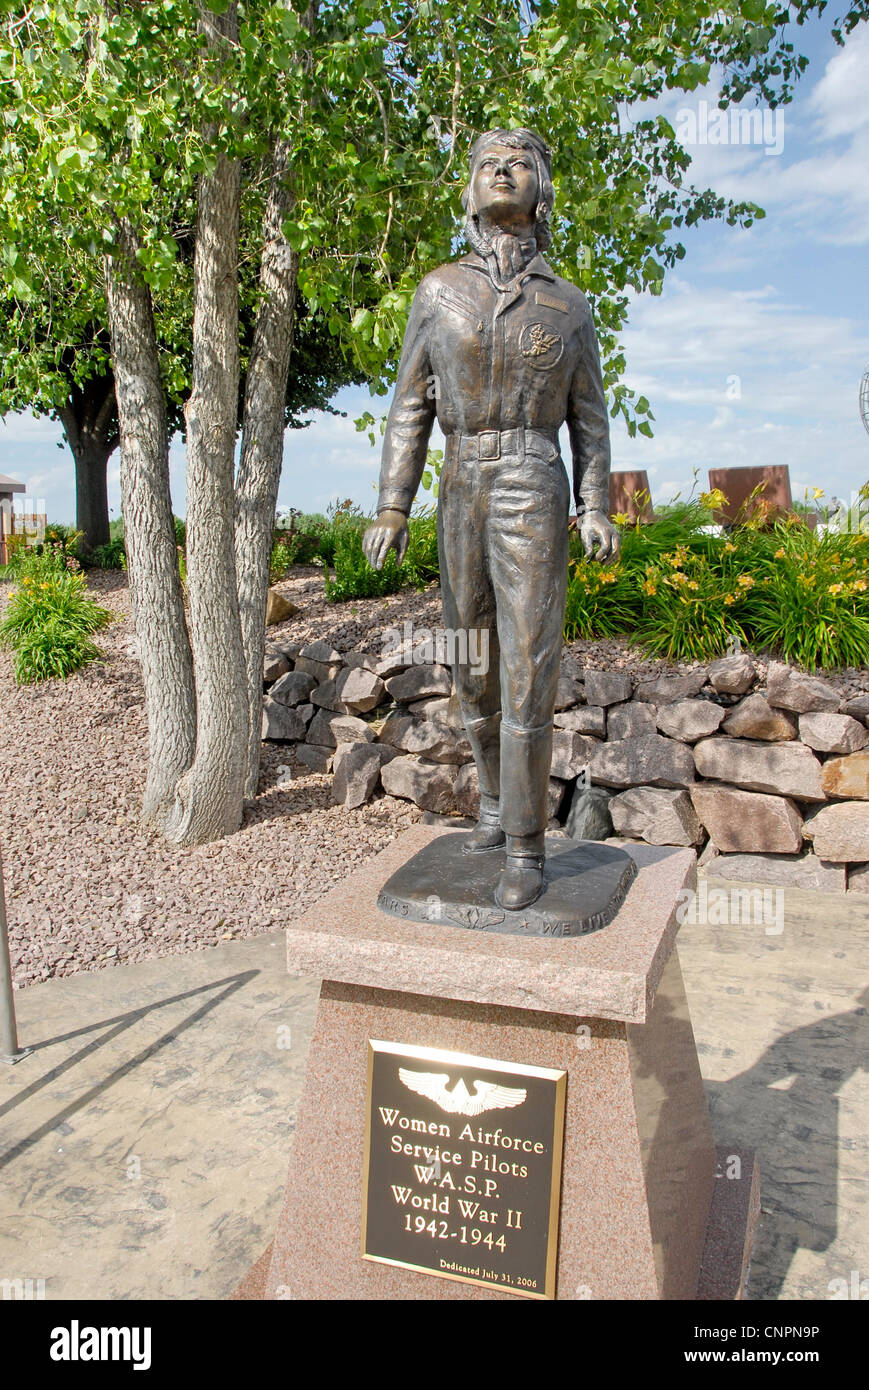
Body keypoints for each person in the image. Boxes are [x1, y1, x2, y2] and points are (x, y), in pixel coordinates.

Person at [364, 128, 618, 910]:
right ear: (468, 193)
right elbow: (408, 404)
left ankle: (526, 842)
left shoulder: (568, 305)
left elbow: (590, 419)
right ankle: (488, 805)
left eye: (518, 165)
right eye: (485, 166)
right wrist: (392, 503)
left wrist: (595, 503)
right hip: (460, 480)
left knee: (527, 663)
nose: (500, 173)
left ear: (540, 192)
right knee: (470, 661)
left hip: (530, 480)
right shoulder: (437, 291)